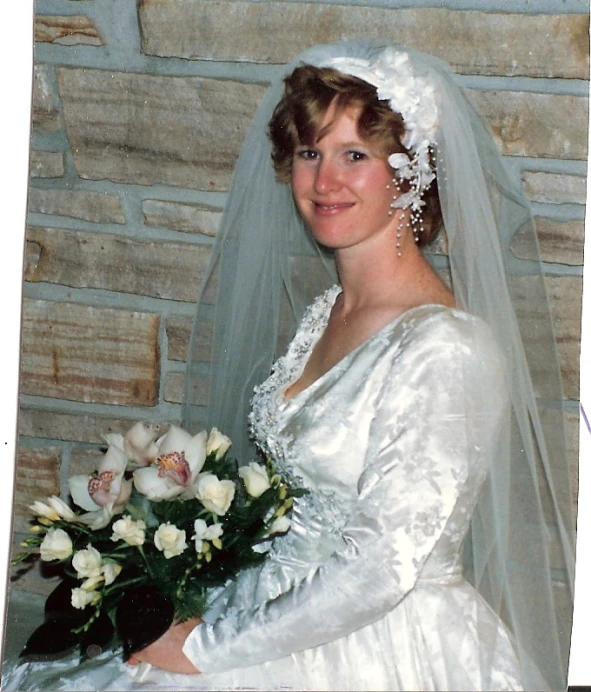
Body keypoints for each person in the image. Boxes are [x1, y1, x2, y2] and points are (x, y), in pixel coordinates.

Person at [2, 40, 575, 691]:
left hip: (368, 644)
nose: (323, 181)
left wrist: (208, 651)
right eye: (309, 153)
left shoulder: (447, 349)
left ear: (409, 171)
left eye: (354, 155)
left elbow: (380, 568)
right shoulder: (328, 310)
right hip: (268, 604)